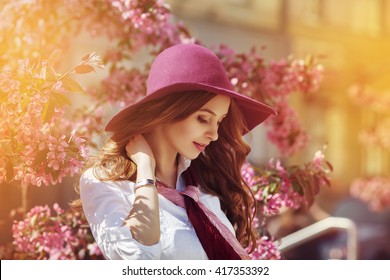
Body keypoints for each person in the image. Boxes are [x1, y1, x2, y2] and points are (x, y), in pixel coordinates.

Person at [78, 43, 276, 260]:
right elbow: (137, 262)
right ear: (168, 111)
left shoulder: (205, 182)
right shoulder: (106, 183)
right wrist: (145, 172)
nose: (215, 134)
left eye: (219, 122)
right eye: (203, 119)